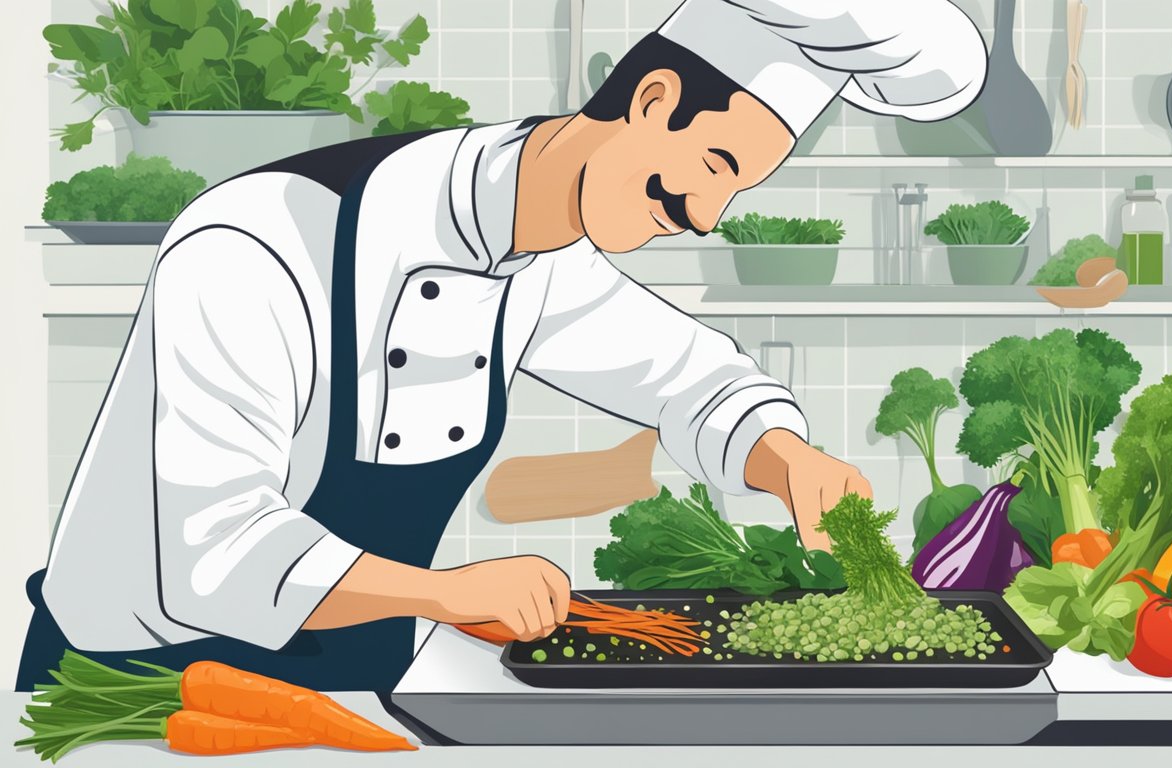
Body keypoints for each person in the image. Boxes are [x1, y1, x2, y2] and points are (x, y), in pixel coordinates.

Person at [17, 0, 986, 692]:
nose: (704, 215)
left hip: (360, 681)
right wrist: (445, 593)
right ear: (652, 100)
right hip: (138, 694)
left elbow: (692, 378)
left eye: (737, 191)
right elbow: (213, 552)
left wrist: (789, 462)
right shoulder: (256, 246)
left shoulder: (541, 249)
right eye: (715, 166)